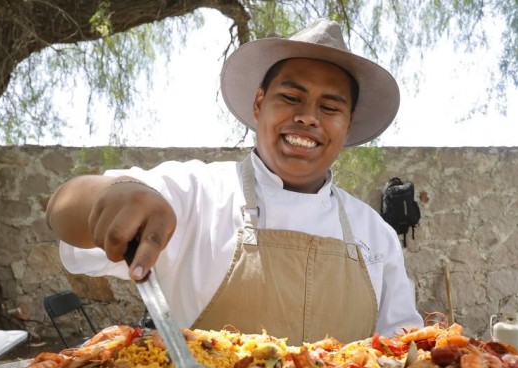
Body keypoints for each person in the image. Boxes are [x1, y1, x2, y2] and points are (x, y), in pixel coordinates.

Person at [46, 18, 423, 344]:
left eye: (329, 107)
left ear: (349, 123)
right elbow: (66, 209)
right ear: (259, 103)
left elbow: (403, 351)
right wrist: (114, 195)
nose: (308, 117)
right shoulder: (195, 195)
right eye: (291, 97)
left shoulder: (376, 235)